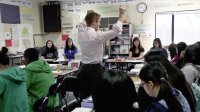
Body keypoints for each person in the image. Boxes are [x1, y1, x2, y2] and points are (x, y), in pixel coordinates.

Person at [77, 6, 126, 98]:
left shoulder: (80, 34)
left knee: (84, 96)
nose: (99, 24)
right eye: (99, 21)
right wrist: (121, 14)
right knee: (98, 95)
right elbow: (116, 30)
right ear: (94, 22)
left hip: (82, 69)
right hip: (95, 70)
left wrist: (87, 16)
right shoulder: (97, 36)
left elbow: (82, 25)